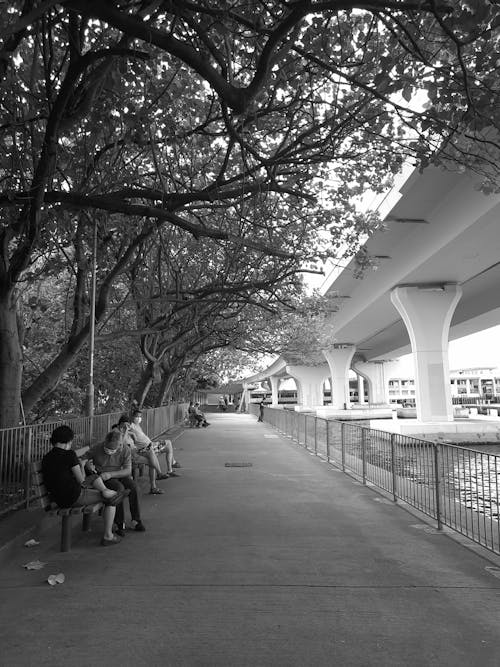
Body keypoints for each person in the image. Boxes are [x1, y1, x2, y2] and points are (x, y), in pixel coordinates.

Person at [41, 425, 127, 546]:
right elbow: (81, 480)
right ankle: (108, 535)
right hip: (73, 496)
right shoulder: (69, 455)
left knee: (93, 477)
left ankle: (106, 490)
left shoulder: (46, 458)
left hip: (57, 498)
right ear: (69, 441)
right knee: (110, 499)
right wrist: (81, 465)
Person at [84, 430, 146, 536]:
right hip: (103, 478)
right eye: (108, 449)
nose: (110, 451)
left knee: (133, 487)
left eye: (113, 449)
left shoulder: (125, 449)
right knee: (118, 488)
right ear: (105, 443)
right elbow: (83, 459)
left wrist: (111, 474)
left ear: (120, 445)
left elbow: (127, 470)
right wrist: (87, 465)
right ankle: (119, 523)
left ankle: (136, 520)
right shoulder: (97, 448)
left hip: (117, 474)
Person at [113, 415, 168, 494]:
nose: (128, 427)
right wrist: (125, 431)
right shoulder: (116, 431)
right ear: (121, 423)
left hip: (135, 451)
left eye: (128, 425)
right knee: (152, 462)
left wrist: (131, 433)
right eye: (126, 425)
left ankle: (158, 477)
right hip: (129, 455)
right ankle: (155, 484)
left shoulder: (125, 430)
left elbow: (133, 441)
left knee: (151, 452)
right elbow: (120, 444)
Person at [128, 409, 181, 476]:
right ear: (132, 417)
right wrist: (131, 433)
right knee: (168, 444)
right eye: (137, 416)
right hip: (146, 448)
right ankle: (171, 467)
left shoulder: (137, 425)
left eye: (140, 417)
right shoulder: (131, 425)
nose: (139, 418)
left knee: (168, 445)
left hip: (150, 445)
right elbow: (124, 429)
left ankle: (171, 466)